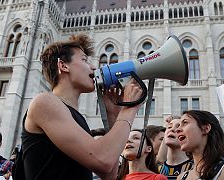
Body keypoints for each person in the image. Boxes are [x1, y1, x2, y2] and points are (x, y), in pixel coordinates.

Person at [22, 33, 143, 179]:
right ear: (63, 65)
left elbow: (108, 173)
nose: (93, 67)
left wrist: (114, 117)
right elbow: (103, 160)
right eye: (84, 60)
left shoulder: (75, 118)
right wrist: (129, 108)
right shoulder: (44, 102)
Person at [176, 110, 224, 180]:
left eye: (185, 122)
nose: (177, 130)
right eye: (178, 125)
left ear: (206, 128)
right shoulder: (181, 177)